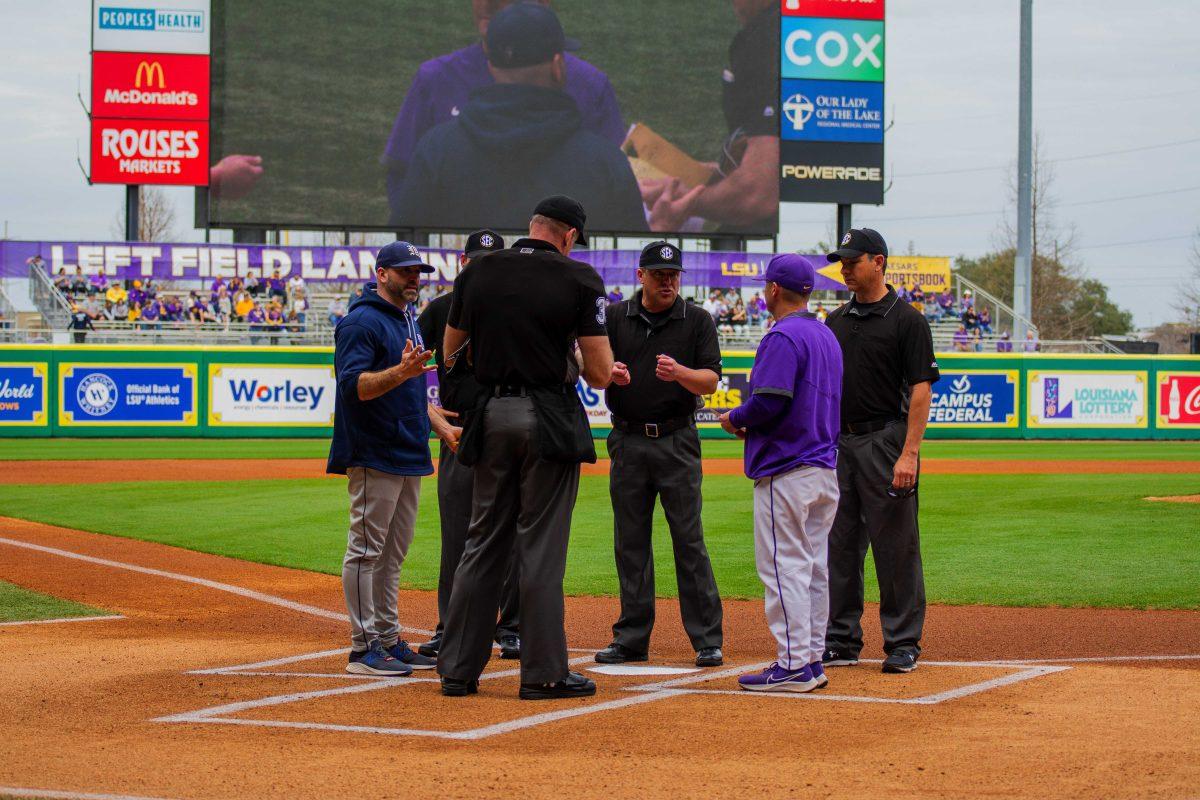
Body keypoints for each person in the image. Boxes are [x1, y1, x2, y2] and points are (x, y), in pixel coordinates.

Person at [437, 195, 613, 700]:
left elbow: (450, 355)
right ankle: (543, 673)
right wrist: (572, 359)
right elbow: (600, 373)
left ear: (532, 227)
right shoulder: (579, 279)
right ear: (569, 236)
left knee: (482, 541)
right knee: (539, 545)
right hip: (548, 418)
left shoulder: (479, 272)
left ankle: (457, 669)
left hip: (489, 417)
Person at [393, 3, 647, 234]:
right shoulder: (604, 162)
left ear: (492, 69)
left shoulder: (437, 149)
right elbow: (628, 258)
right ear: (558, 67)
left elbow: (402, 244)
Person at [327, 241, 456, 677]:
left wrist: (438, 424)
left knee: (392, 554)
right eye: (405, 271)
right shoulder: (360, 322)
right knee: (366, 549)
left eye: (418, 271)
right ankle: (363, 648)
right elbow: (354, 387)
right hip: (374, 448)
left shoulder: (407, 320)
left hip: (408, 449)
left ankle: (387, 637)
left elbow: (410, 392)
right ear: (382, 273)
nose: (415, 278)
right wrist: (401, 372)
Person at [596, 241, 724, 669]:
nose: (668, 281)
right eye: (659, 274)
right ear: (641, 275)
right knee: (630, 542)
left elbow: (709, 381)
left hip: (677, 439)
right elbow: (588, 366)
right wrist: (607, 372)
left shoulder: (698, 320)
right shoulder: (615, 316)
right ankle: (632, 638)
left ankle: (707, 639)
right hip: (628, 440)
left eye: (673, 275)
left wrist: (681, 373)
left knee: (689, 540)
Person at [718, 255, 842, 693]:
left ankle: (792, 665)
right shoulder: (826, 334)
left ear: (773, 290)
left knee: (783, 567)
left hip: (787, 468)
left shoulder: (783, 335)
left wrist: (735, 418)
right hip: (824, 469)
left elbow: (769, 400)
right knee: (813, 567)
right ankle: (810, 658)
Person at [822, 229, 940, 675]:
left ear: (879, 261)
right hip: (840, 443)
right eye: (842, 262)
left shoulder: (907, 320)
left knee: (896, 546)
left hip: (885, 439)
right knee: (840, 545)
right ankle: (841, 638)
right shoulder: (835, 321)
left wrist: (909, 452)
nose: (845, 268)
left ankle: (903, 641)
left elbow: (921, 390)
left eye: (853, 261)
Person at [415, 229, 521, 661]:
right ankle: (450, 625)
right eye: (476, 261)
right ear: (463, 263)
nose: (482, 268)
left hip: (508, 429)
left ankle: (511, 627)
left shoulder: (518, 310)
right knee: (456, 535)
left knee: (513, 533)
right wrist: (431, 414)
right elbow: (402, 368)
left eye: (490, 262)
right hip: (459, 433)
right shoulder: (439, 310)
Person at [642, 0, 778, 233]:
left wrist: (683, 198)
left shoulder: (770, 39)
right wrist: (702, 175)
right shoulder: (780, 30)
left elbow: (756, 194)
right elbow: (790, 167)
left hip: (777, 245)